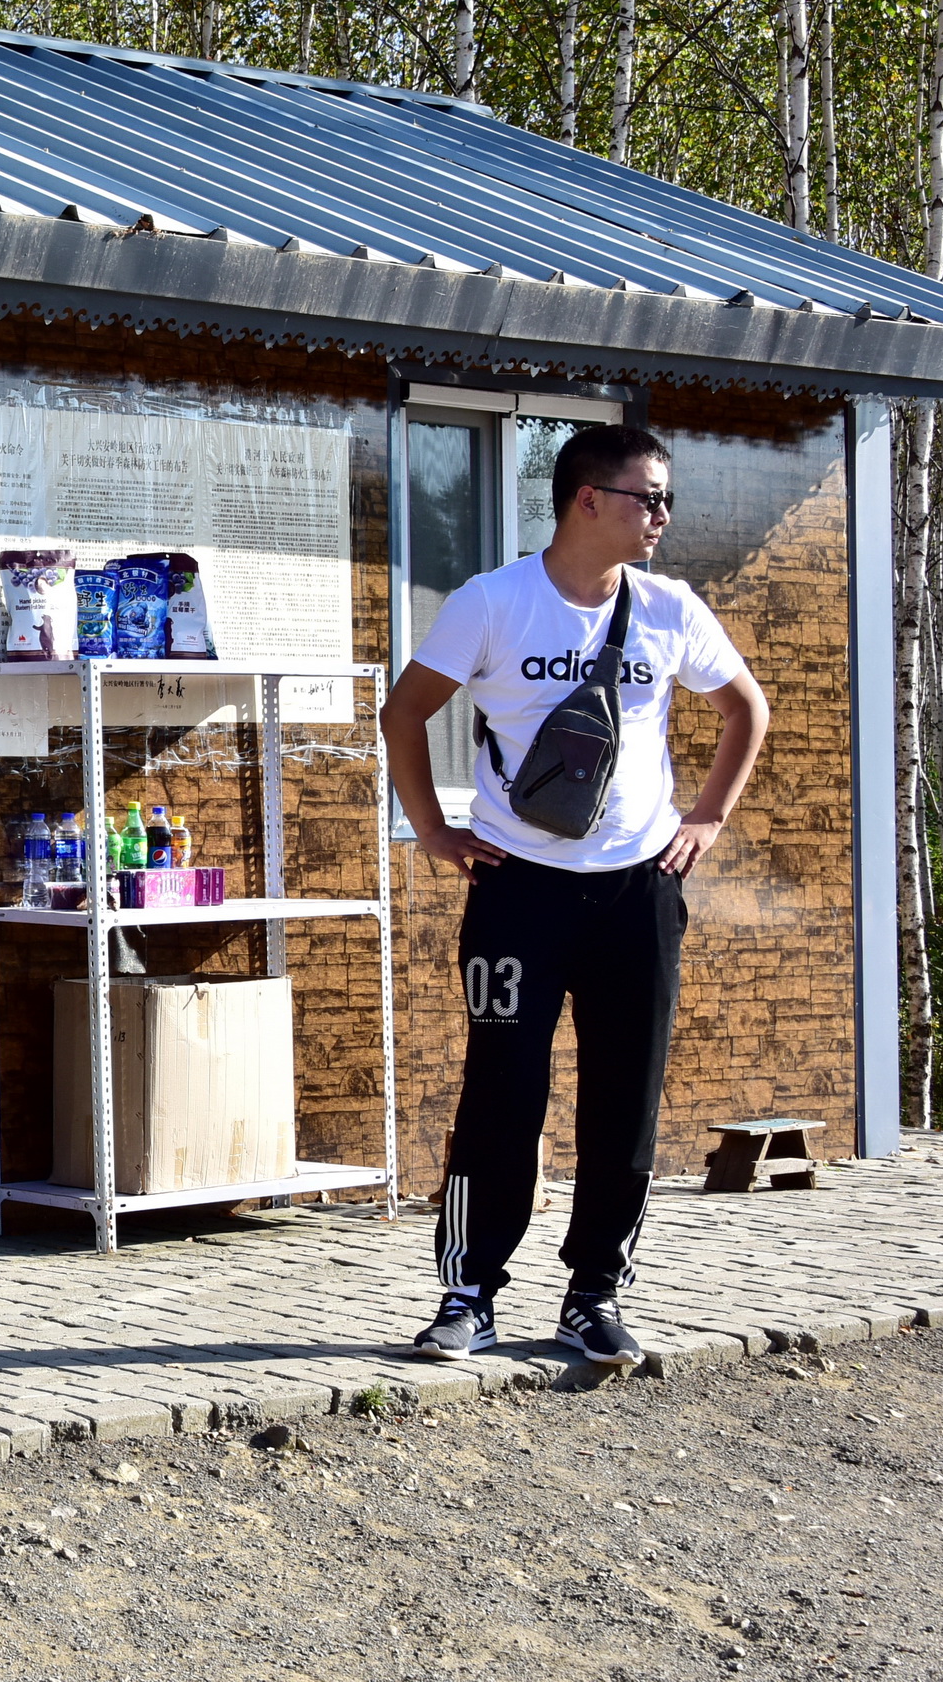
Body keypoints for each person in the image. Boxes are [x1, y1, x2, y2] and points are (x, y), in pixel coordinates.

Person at [380, 423, 769, 1369]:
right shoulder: (494, 601)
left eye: (667, 499)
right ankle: (468, 1296)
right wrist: (434, 830)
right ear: (587, 499)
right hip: (518, 889)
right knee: (502, 1094)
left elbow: (745, 710)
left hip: (639, 891)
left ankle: (594, 1296)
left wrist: (706, 819)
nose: (662, 515)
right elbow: (403, 713)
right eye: (648, 497)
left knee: (624, 1101)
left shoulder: (669, 607)